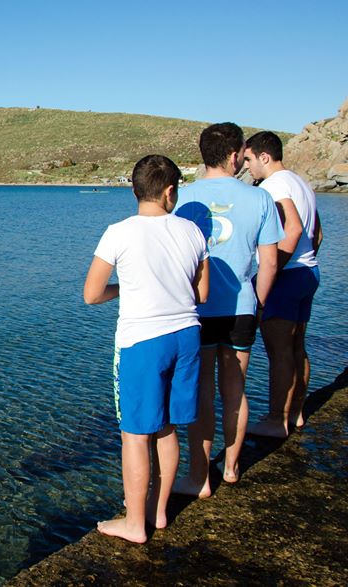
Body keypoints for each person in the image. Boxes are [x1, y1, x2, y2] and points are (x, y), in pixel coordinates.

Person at [84, 155, 209, 543]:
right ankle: (158, 513)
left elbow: (91, 295)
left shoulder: (119, 232)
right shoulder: (192, 232)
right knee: (167, 427)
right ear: (170, 191)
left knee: (135, 435)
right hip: (187, 336)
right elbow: (201, 294)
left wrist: (125, 289)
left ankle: (135, 523)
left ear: (135, 190)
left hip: (142, 342)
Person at [172, 123, 283, 496]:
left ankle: (200, 478)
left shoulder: (183, 199)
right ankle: (232, 468)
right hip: (242, 308)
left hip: (197, 311)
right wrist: (260, 304)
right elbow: (268, 262)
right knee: (235, 390)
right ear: (235, 155)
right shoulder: (260, 198)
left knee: (202, 392)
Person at [243, 131, 323, 438]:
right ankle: (296, 414)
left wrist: (273, 269)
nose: (247, 166)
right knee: (296, 346)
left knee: (279, 351)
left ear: (264, 157)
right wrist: (304, 260)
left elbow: (294, 230)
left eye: (249, 159)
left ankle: (277, 420)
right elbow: (317, 235)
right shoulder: (300, 182)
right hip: (307, 272)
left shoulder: (274, 186)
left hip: (286, 276)